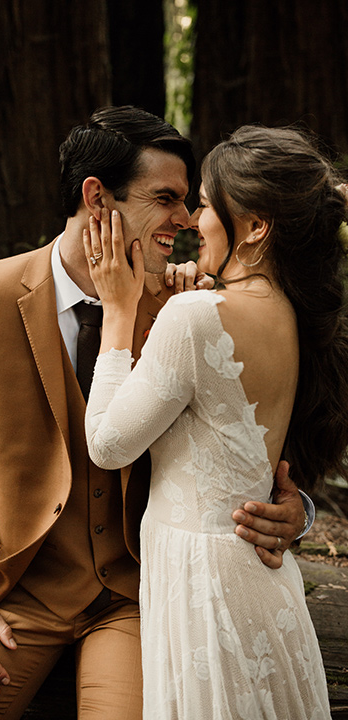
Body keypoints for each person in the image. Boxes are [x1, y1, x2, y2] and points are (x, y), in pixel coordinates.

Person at [0, 108, 309, 720]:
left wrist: (298, 511)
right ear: (97, 197)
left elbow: (253, 437)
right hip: (14, 598)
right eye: (166, 198)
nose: (187, 222)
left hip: (137, 600)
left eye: (191, 203)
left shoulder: (186, 307)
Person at [84, 124, 348, 719]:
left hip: (205, 586)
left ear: (255, 227)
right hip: (261, 581)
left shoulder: (198, 314)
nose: (193, 221)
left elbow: (106, 444)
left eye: (204, 204)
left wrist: (121, 311)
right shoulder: (290, 313)